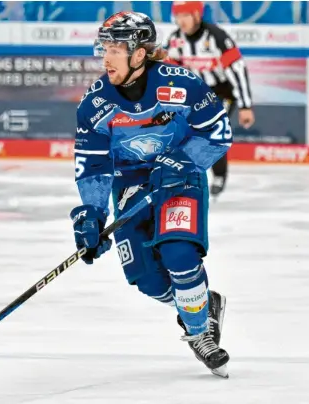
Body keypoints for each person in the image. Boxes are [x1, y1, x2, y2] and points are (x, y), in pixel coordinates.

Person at [69, 11, 231, 378]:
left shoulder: (182, 85)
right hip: (129, 185)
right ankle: (202, 305)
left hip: (180, 178)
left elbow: (218, 133)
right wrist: (91, 216)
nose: (105, 57)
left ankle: (200, 333)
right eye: (103, 48)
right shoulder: (94, 106)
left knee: (179, 252)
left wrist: (181, 160)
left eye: (114, 49)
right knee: (147, 279)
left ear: (139, 54)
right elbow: (93, 166)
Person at [164, 1, 255, 196]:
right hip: (195, 95)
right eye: (178, 16)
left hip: (222, 92)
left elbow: (238, 70)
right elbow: (168, 74)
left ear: (197, 15)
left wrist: (246, 106)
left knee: (211, 130)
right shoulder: (175, 40)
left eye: (186, 15)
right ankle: (184, 173)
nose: (181, 21)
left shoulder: (217, 37)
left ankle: (219, 174)